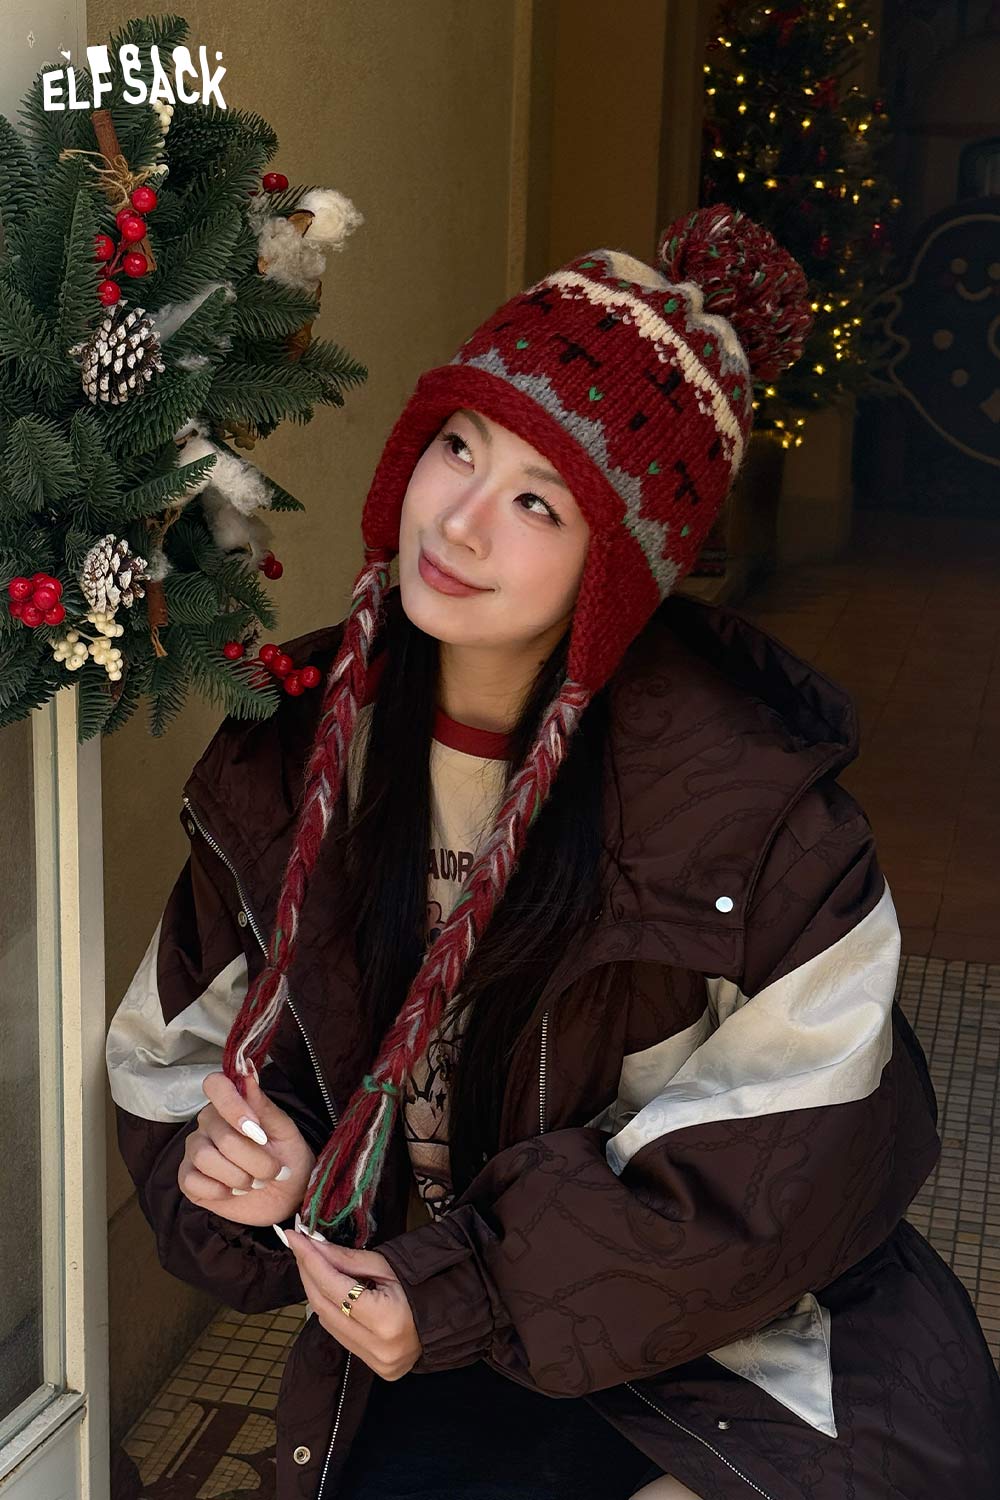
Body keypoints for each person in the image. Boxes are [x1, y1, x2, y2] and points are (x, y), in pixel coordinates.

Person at [107, 205, 1000, 1500]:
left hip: (743, 1352)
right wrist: (264, 1166)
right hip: (444, 1341)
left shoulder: (759, 810)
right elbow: (172, 1055)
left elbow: (791, 1164)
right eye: (456, 448)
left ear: (620, 567)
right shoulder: (293, 759)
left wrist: (462, 1285)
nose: (460, 522)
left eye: (537, 498)